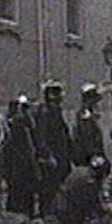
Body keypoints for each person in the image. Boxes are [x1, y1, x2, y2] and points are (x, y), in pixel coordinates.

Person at [35, 80, 73, 215]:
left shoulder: (55, 110)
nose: (60, 96)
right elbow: (41, 137)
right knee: (48, 189)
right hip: (52, 159)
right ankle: (47, 215)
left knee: (58, 188)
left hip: (60, 156)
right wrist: (48, 156)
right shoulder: (45, 112)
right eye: (55, 93)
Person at [5, 95, 41, 218]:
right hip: (19, 164)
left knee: (21, 192)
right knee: (20, 192)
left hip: (21, 164)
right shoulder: (18, 124)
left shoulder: (25, 124)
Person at [71, 83, 105, 166]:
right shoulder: (85, 113)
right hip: (88, 157)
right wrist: (95, 154)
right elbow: (87, 136)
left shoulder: (89, 113)